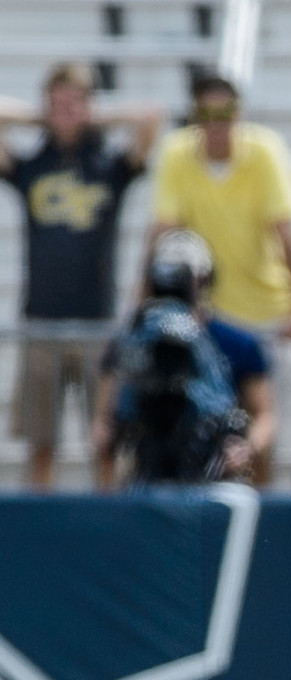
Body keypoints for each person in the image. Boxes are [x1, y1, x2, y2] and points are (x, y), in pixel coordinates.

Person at [0, 63, 159, 489]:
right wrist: (42, 117)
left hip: (98, 325)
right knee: (41, 444)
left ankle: (110, 526)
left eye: (75, 103)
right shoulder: (34, 165)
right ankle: (41, 530)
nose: (66, 112)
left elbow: (150, 119)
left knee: (105, 441)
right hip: (41, 321)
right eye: (58, 104)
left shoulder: (107, 166)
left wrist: (91, 115)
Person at [92, 230, 273, 485]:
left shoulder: (237, 343)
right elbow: (106, 423)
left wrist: (245, 447)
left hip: (213, 467)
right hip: (149, 466)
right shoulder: (131, 340)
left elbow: (264, 415)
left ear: (205, 281)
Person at [145, 76, 291, 341]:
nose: (216, 123)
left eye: (225, 113)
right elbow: (161, 233)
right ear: (195, 116)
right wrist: (143, 303)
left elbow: (286, 233)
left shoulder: (266, 150)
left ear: (239, 113)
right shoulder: (175, 153)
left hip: (268, 313)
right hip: (206, 318)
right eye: (207, 114)